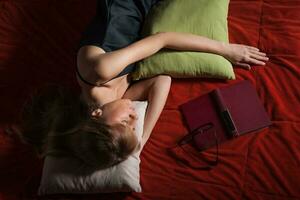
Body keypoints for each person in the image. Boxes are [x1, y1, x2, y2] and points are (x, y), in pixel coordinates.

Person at [17, 0, 269, 170]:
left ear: (95, 115)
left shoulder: (98, 73)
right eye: (133, 124)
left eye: (126, 122)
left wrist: (226, 50)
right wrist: (143, 139)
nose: (134, 117)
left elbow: (163, 39)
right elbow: (162, 81)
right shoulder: (115, 98)